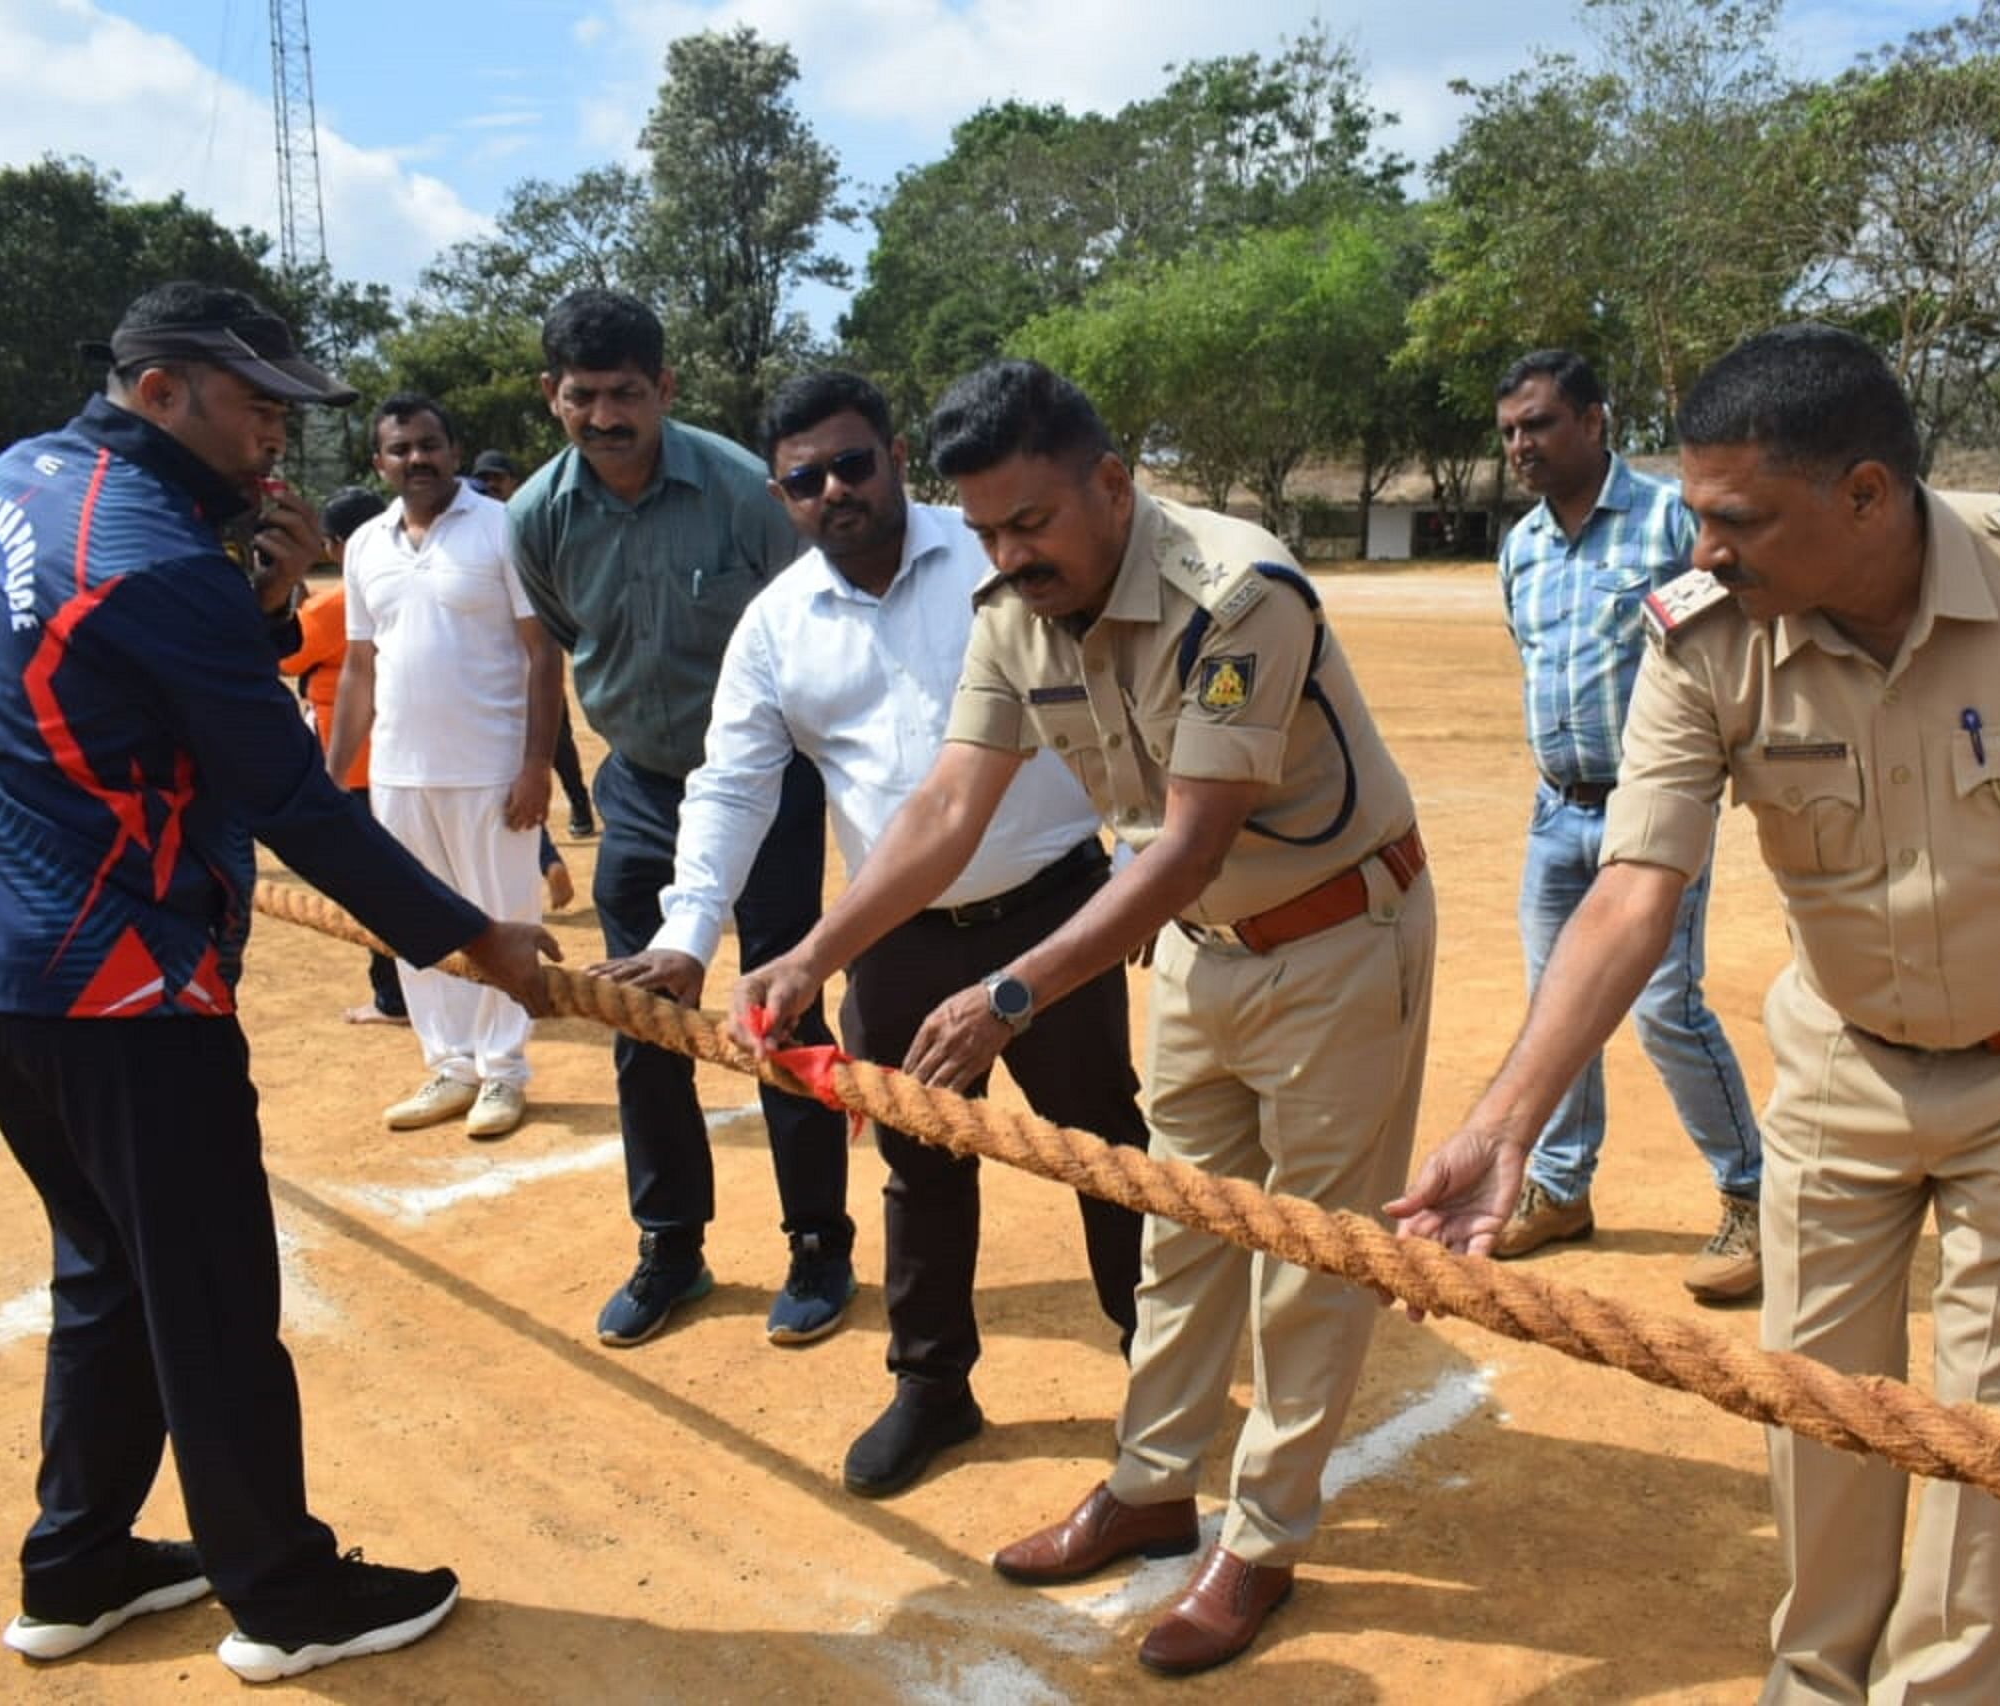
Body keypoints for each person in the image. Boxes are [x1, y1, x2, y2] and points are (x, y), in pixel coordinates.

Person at [1393, 324, 2000, 1703]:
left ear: (1867, 494)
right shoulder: (1703, 639)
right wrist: (1507, 1120)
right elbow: (1632, 890)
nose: (1706, 552)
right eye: (1697, 517)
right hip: (1842, 1071)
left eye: (1739, 520)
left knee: (1987, 1436)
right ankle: (1816, 1681)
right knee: (1815, 1412)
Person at [732, 360, 1436, 1676]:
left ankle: (1263, 1540)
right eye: (987, 530)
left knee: (1306, 1255)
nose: (1007, 554)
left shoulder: (1242, 597)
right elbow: (947, 810)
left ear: (1113, 484)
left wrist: (1011, 991)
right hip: (1201, 951)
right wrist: (812, 951)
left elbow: (1184, 841)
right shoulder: (1015, 615)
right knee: (1178, 1229)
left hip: (1341, 938)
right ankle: (1155, 1482)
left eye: (1033, 523)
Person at [0, 281, 556, 1681]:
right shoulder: (156, 555)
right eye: (256, 405)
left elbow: (107, 683)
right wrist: (478, 943)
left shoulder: (17, 479)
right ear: (158, 391)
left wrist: (257, 611)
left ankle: (76, 1560)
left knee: (110, 1271)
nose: (278, 440)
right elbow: (293, 798)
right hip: (125, 988)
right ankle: (281, 1589)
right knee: (207, 1292)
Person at [592, 370, 1150, 1494]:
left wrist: (1135, 880)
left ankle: (1162, 1376)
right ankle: (933, 1387)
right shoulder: (776, 625)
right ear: (779, 493)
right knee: (917, 1162)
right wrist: (691, 931)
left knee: (1106, 1149)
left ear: (898, 455)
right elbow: (734, 783)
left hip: (1052, 912)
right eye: (805, 477)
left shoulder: (1000, 561)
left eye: (853, 462)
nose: (834, 489)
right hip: (891, 935)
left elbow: (1126, 701)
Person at [505, 288, 853, 1347]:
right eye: (581, 396)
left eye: (624, 394)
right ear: (550, 396)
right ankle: (671, 1245)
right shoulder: (536, 516)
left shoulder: (747, 495)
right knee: (640, 1017)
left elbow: (820, 620)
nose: (603, 416)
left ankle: (817, 1243)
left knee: (782, 1004)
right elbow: (561, 640)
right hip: (643, 790)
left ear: (665, 387)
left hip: (768, 786)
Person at [1488, 350, 1764, 1299]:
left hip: (1653, 812)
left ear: (1596, 422)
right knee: (1555, 1005)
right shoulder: (1521, 546)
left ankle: (1754, 1195)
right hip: (1556, 810)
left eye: (1541, 424)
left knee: (1664, 1005)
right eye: (1512, 431)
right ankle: (1560, 1189)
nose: (1523, 444)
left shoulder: (1668, 523)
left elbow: (1737, 629)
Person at [329, 395, 563, 1142]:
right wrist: (331, 781)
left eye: (429, 445)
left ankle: (503, 1071)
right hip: (399, 773)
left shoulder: (503, 529)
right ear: (379, 463)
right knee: (413, 923)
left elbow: (542, 653)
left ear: (455, 452)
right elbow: (358, 670)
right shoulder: (365, 544)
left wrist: (535, 765)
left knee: (502, 917)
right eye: (400, 449)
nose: (416, 460)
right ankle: (449, 1063)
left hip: (493, 771)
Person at [282, 486, 409, 1025]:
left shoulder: (335, 603)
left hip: (356, 762)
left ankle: (392, 997)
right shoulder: (402, 580)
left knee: (376, 884)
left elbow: (288, 658)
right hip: (397, 756)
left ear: (337, 546)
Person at [472, 447, 597, 838]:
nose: (491, 485)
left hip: (535, 656)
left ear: (514, 483)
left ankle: (579, 803)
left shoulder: (532, 524)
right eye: (485, 478)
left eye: (498, 478)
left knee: (554, 740)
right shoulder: (473, 533)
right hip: (490, 666)